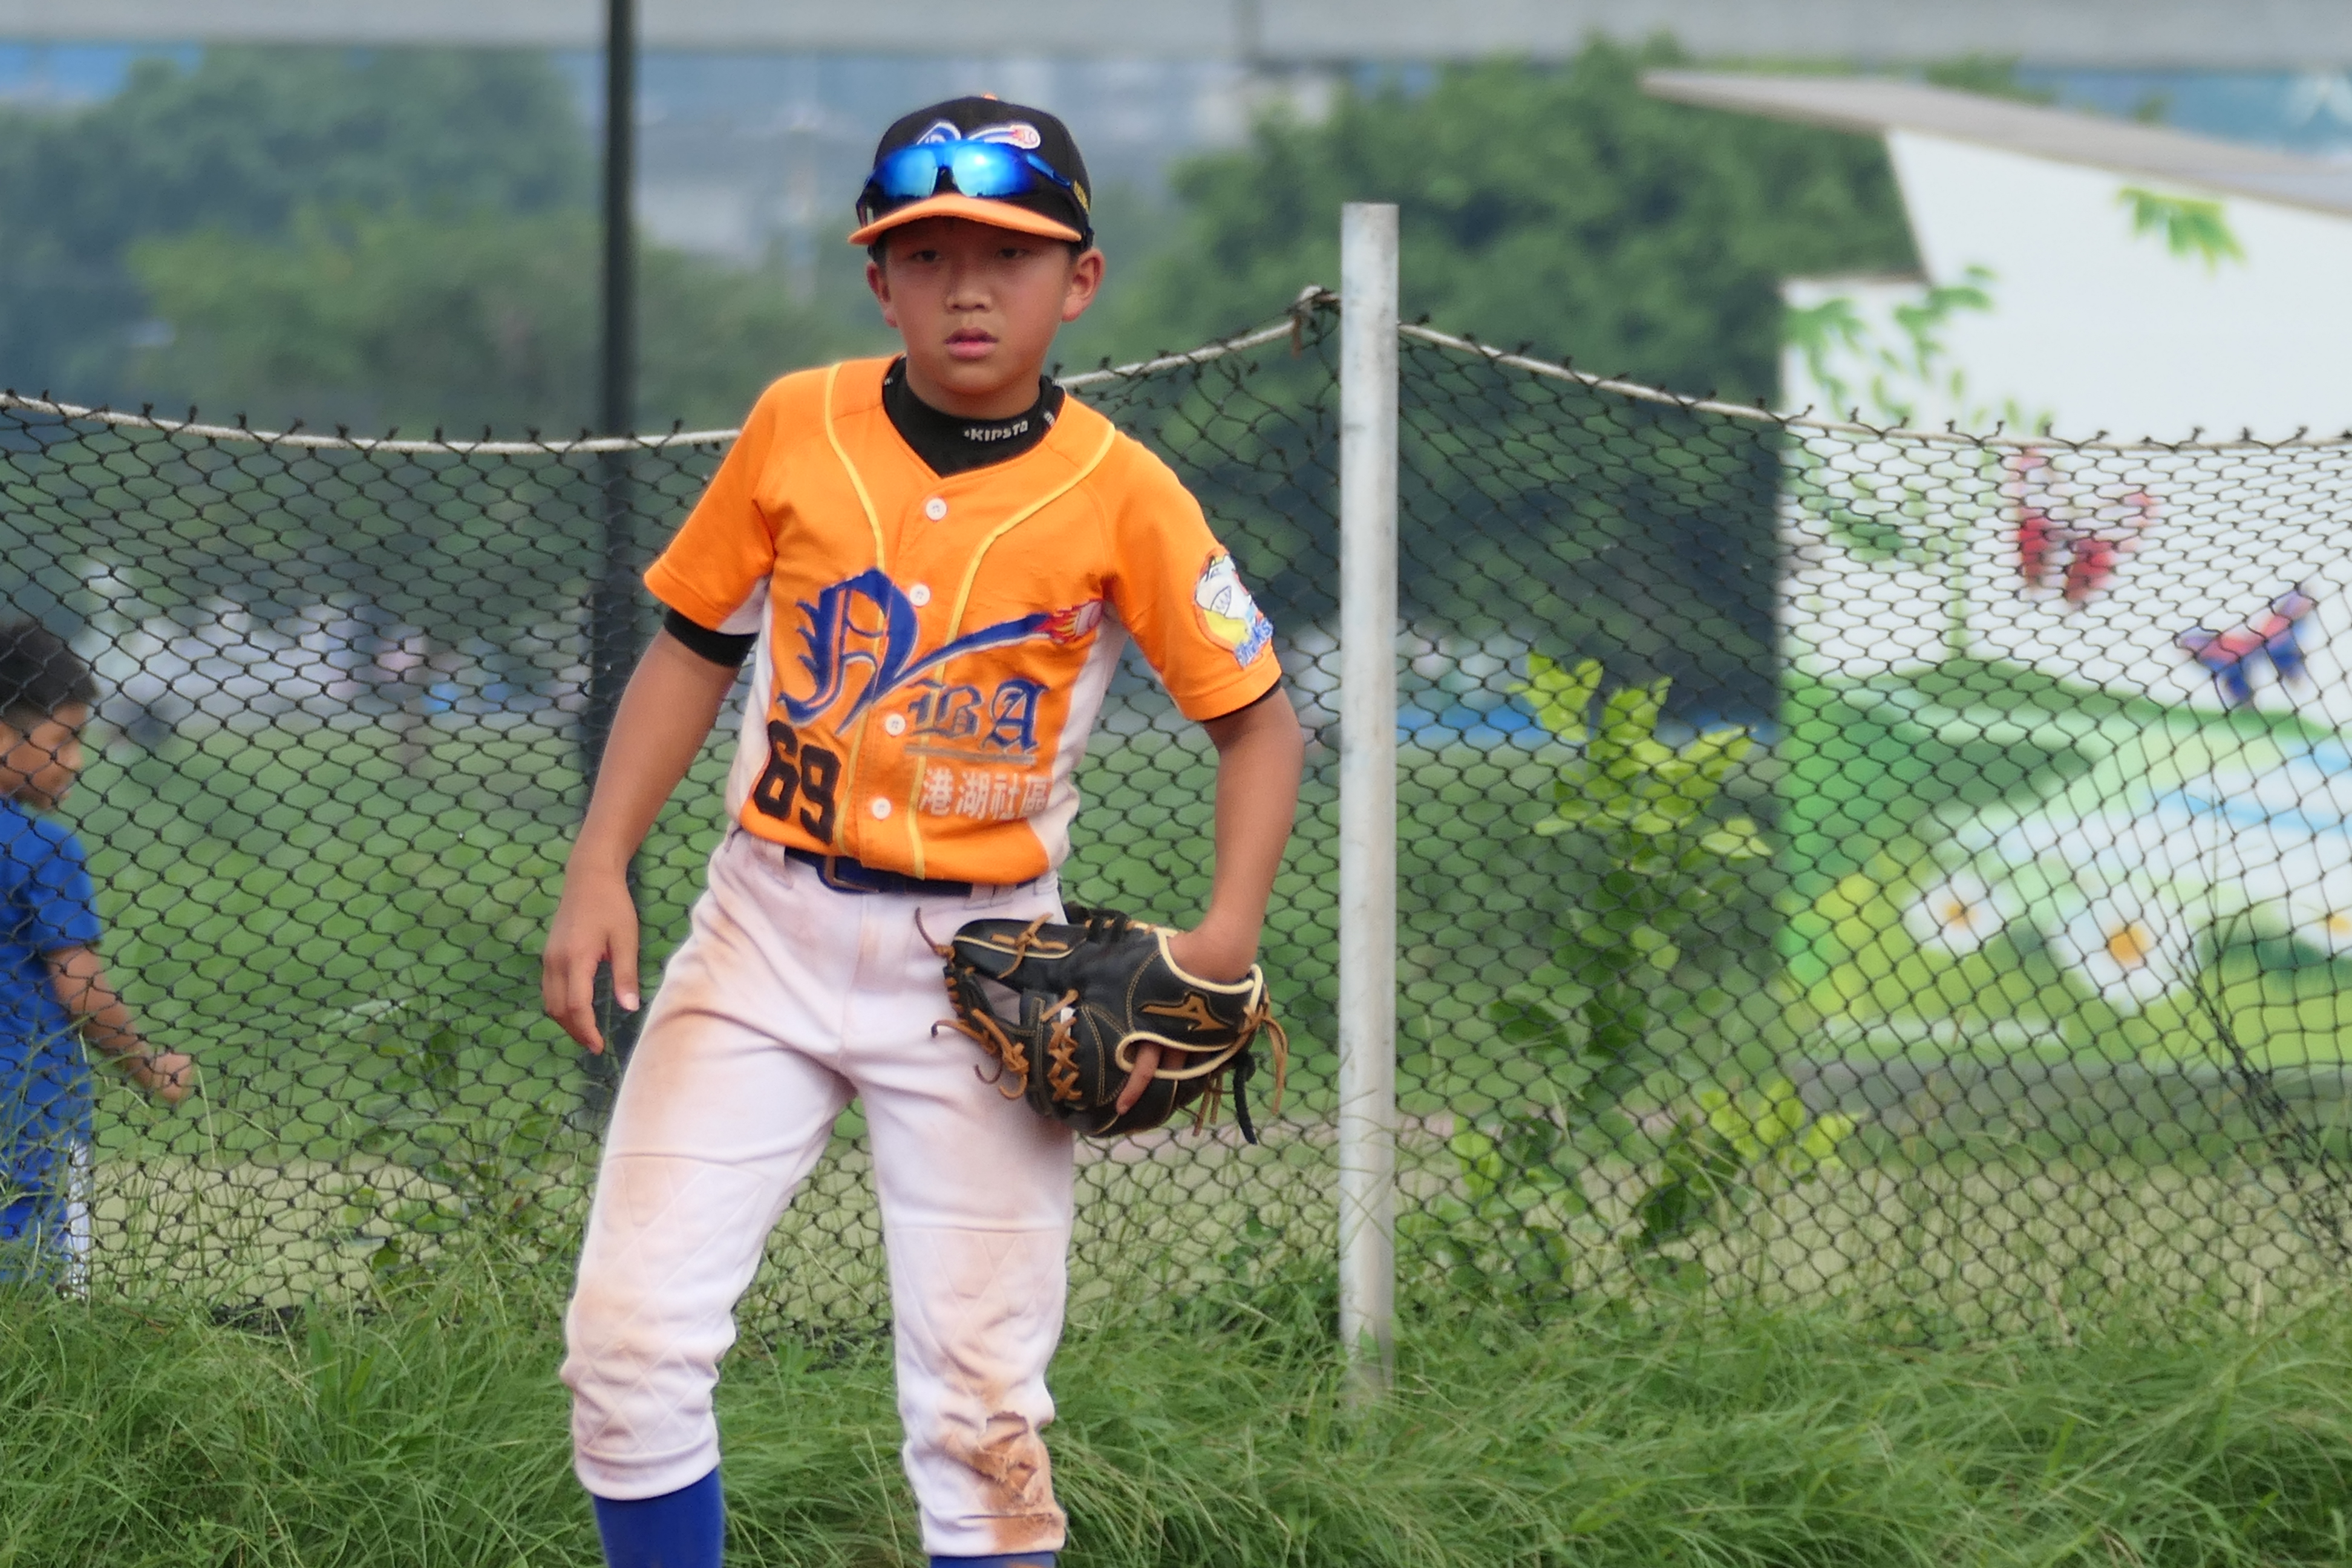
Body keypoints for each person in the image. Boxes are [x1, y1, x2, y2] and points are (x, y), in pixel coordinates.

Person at [543, 97, 1305, 1568]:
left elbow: (1260, 723)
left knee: (980, 1417)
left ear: (1079, 280)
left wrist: (1223, 941)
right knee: (625, 1354)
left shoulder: (1124, 493)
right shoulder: (797, 424)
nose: (969, 287)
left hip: (985, 969)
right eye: (929, 253)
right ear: (876, 277)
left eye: (1010, 255)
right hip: (760, 932)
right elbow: (694, 648)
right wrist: (598, 865)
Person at [0, 621, 192, 1284]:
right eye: (65, 739)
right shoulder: (41, 848)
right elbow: (80, 988)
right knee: (36, 1273)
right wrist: (147, 1066)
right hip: (27, 1106)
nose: (78, 761)